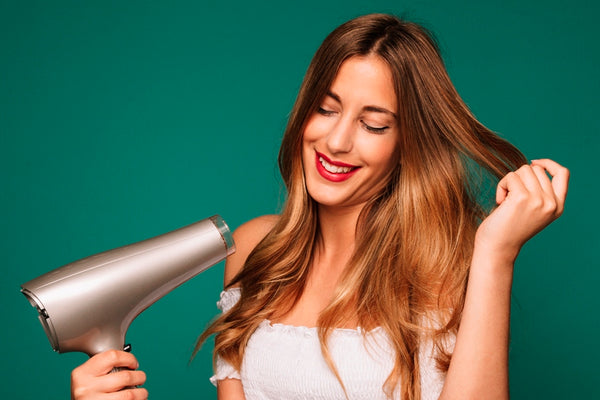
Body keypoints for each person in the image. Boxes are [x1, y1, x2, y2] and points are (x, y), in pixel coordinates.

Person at [70, 13, 569, 400]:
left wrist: (495, 256)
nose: (335, 140)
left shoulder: (451, 265)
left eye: (373, 124)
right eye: (326, 109)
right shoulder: (253, 249)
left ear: (407, 142)